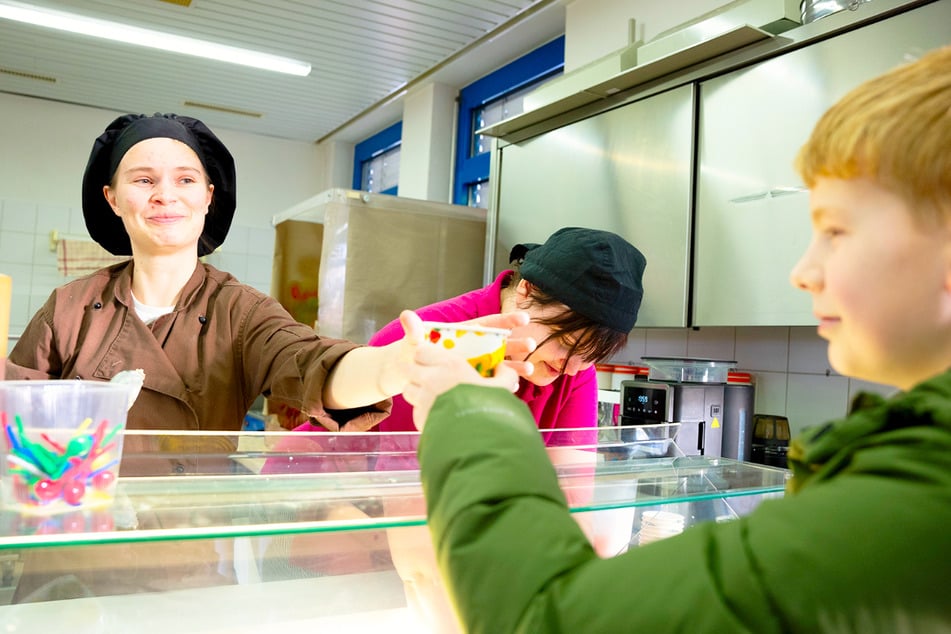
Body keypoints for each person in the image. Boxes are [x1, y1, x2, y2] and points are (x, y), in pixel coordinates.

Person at [402, 45, 951, 632]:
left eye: (837, 230)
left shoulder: (922, 490)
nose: (803, 272)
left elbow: (549, 617)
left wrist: (469, 409)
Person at [3, 112, 527, 438]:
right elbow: (16, 416)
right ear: (113, 199)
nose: (165, 194)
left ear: (208, 197)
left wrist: (398, 362)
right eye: (143, 180)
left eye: (185, 179)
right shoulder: (69, 307)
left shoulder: (241, 311)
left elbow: (309, 360)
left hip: (184, 552)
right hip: (71, 537)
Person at [319, 227, 645, 448]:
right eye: (566, 342)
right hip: (321, 501)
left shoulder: (573, 369)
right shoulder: (432, 339)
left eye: (590, 355)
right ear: (526, 291)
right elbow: (411, 493)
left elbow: (569, 493)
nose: (573, 368)